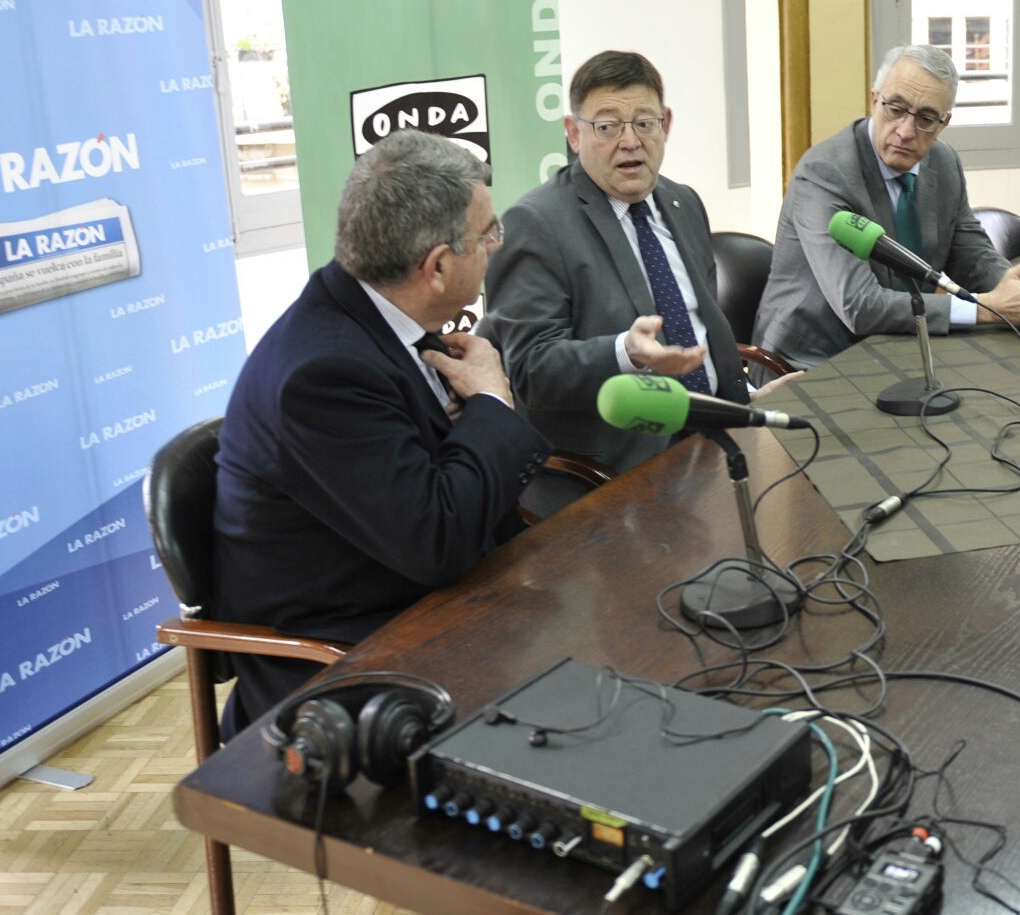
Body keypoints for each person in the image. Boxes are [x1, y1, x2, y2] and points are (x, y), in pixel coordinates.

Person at [212, 131, 552, 728]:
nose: (496, 246)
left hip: (425, 604)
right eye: (488, 233)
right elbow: (436, 540)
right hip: (349, 667)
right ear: (438, 266)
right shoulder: (323, 374)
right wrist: (492, 402)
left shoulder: (375, 316)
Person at [480, 50, 749, 475]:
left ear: (666, 125)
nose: (630, 142)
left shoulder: (684, 203)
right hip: (623, 465)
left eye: (645, 123)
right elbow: (531, 369)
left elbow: (701, 327)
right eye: (607, 127)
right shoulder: (535, 223)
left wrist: (751, 396)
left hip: (720, 435)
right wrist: (625, 351)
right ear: (573, 132)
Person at [755, 44, 1020, 369]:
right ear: (874, 100)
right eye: (895, 109)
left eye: (926, 118)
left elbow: (972, 256)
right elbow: (860, 306)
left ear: (944, 123)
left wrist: (1014, 289)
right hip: (812, 359)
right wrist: (987, 308)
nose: (905, 131)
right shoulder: (825, 174)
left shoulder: (944, 163)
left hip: (905, 344)